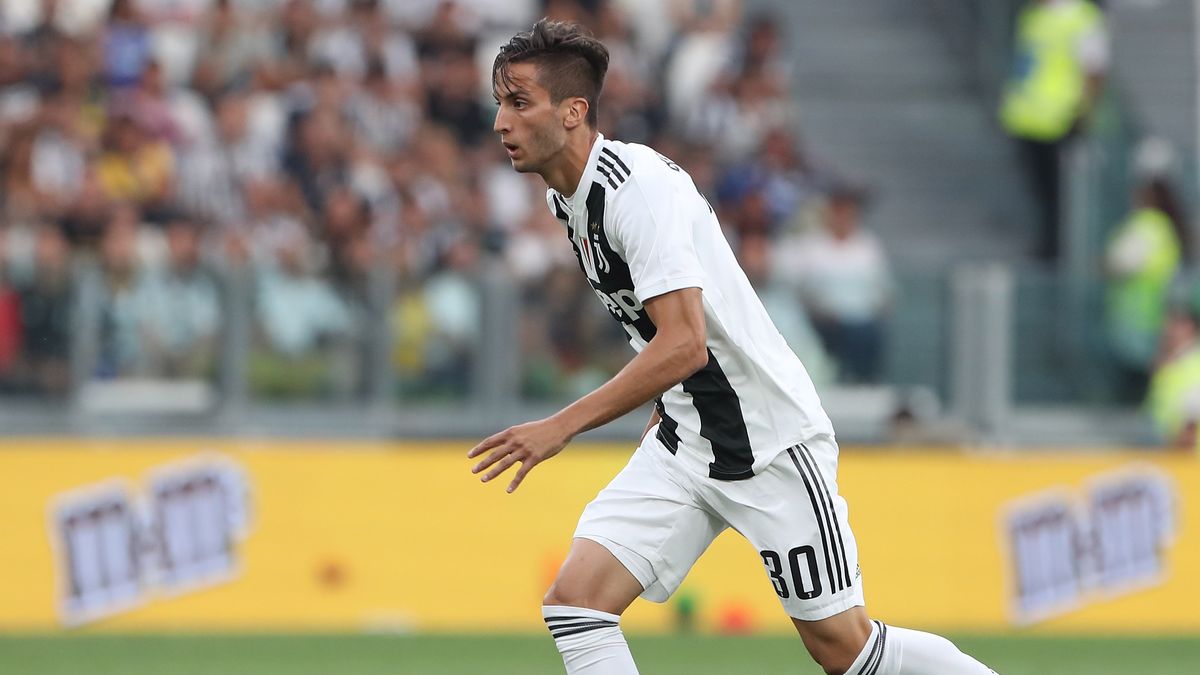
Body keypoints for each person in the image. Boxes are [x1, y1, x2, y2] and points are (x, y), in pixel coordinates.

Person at [469, 20, 998, 675]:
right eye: (500, 102)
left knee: (846, 648)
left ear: (573, 111)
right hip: (689, 437)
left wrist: (562, 424)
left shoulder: (637, 192)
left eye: (518, 102)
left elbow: (686, 341)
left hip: (768, 437)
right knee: (576, 603)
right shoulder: (566, 199)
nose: (500, 121)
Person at [999, 0, 1108, 262]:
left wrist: (1083, 117)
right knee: (1039, 191)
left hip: (1060, 120)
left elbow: (1094, 70)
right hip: (1026, 118)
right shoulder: (1033, 16)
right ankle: (1047, 246)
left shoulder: (1082, 17)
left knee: (1057, 196)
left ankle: (1057, 252)